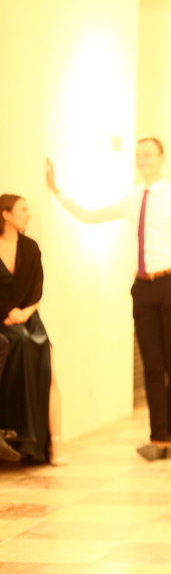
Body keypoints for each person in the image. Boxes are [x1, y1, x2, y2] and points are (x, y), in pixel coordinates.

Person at [45, 138, 171, 461]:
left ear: (162, 158)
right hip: (142, 288)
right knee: (152, 366)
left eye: (148, 154)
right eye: (138, 154)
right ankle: (159, 438)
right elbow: (91, 216)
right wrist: (56, 191)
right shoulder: (132, 198)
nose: (142, 159)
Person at [0, 194, 61, 464]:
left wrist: (24, 312)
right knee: (18, 343)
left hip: (28, 318)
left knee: (41, 353)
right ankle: (16, 436)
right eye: (23, 209)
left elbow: (37, 288)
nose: (28, 214)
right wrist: (7, 312)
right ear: (6, 215)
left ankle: (42, 443)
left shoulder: (31, 247)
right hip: (3, 319)